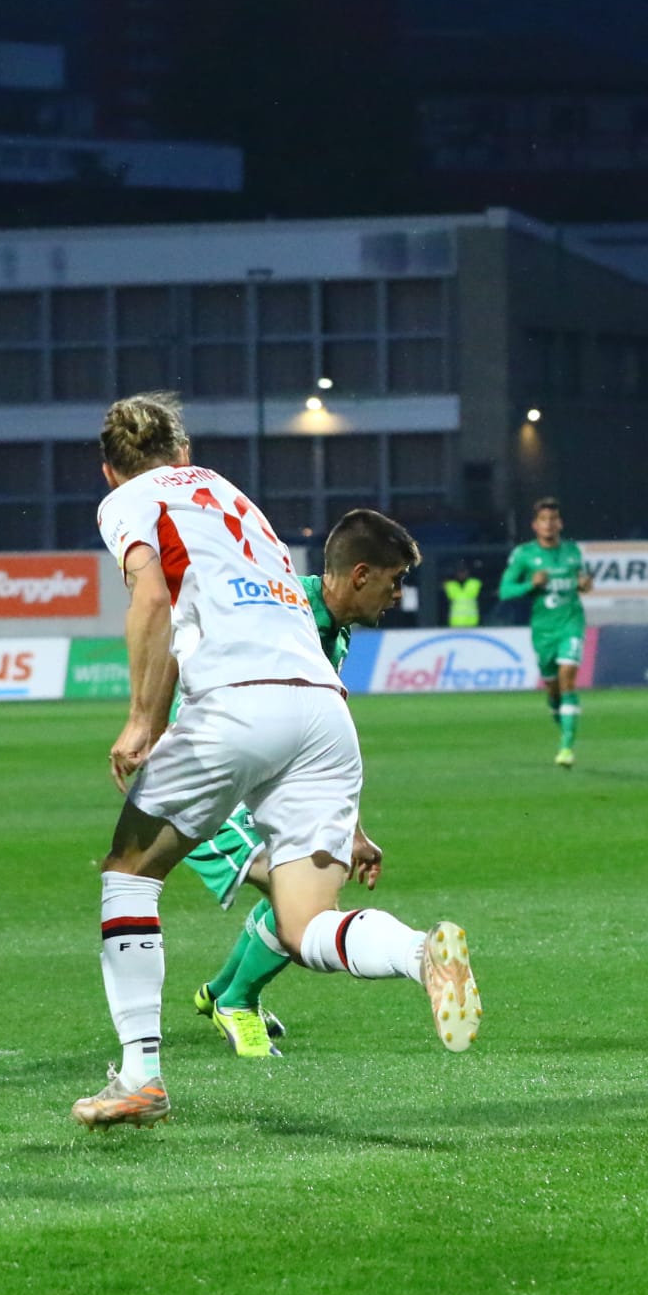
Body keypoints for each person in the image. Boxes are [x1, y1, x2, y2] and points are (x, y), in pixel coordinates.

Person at [75, 394, 480, 1130]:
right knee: (304, 923)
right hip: (323, 713)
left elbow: (154, 601)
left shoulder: (129, 499)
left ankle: (140, 1077)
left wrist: (141, 721)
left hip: (235, 706)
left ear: (110, 470)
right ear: (185, 453)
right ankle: (420, 952)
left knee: (129, 873)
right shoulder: (236, 499)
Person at [186, 510, 420, 1058]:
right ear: (360, 575)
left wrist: (350, 829)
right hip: (206, 775)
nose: (398, 594)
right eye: (395, 581)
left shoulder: (330, 629)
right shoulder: (284, 615)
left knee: (304, 883)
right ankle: (236, 1002)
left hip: (259, 778)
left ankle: (222, 991)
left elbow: (318, 742)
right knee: (298, 895)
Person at [499, 498, 593, 768]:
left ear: (560, 523)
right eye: (544, 520)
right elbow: (505, 591)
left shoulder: (573, 552)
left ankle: (567, 747)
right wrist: (531, 584)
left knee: (568, 678)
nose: (549, 524)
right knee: (554, 690)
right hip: (543, 631)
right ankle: (561, 717)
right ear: (535, 525)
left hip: (571, 623)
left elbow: (584, 582)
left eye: (553, 519)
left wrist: (585, 584)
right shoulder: (524, 555)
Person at [443, 559, 481, 628]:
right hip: (455, 624)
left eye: (463, 571)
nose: (461, 574)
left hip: (472, 624)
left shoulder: (475, 583)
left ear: (467, 572)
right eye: (459, 571)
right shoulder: (450, 585)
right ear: (456, 573)